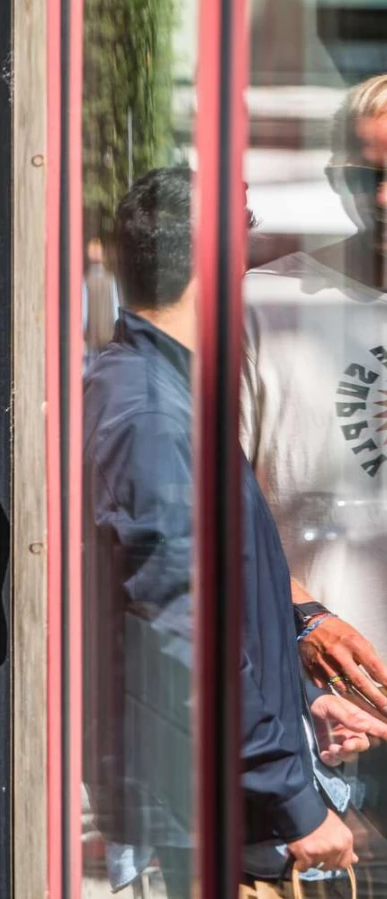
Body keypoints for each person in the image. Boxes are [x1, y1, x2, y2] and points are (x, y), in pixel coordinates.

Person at [85, 168, 385, 894]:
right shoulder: (154, 416)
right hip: (218, 811)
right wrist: (295, 800)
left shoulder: (159, 395)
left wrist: (300, 697)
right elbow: (189, 633)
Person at [241, 73, 387, 713]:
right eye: (363, 176)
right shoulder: (263, 306)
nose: (381, 197)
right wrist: (302, 616)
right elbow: (208, 503)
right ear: (336, 179)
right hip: (317, 714)